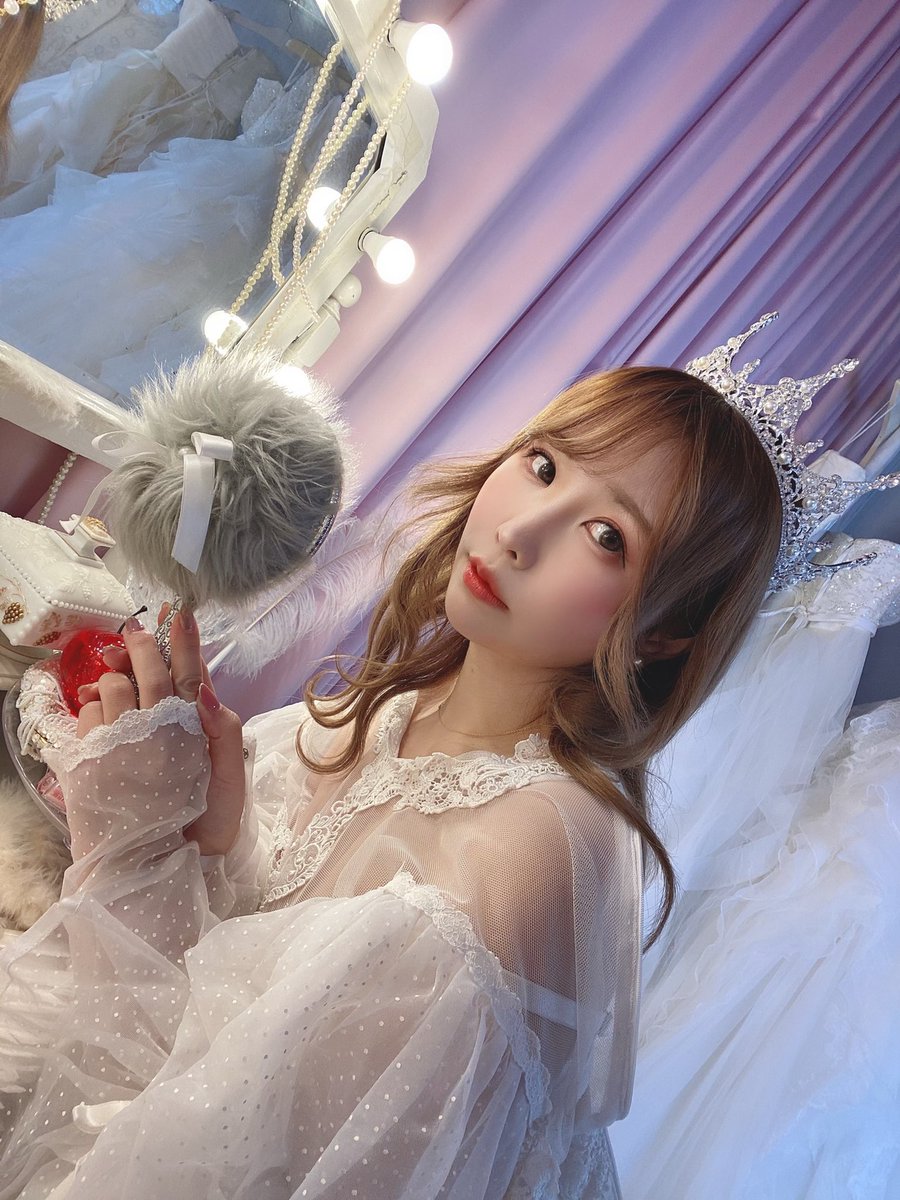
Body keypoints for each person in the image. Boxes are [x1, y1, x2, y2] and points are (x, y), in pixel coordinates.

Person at [0, 360, 813, 1199]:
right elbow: (243, 990)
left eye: (608, 536)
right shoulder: (381, 713)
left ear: (666, 634)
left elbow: (188, 1159)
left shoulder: (533, 850)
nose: (520, 530)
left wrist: (132, 843)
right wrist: (216, 839)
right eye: (543, 465)